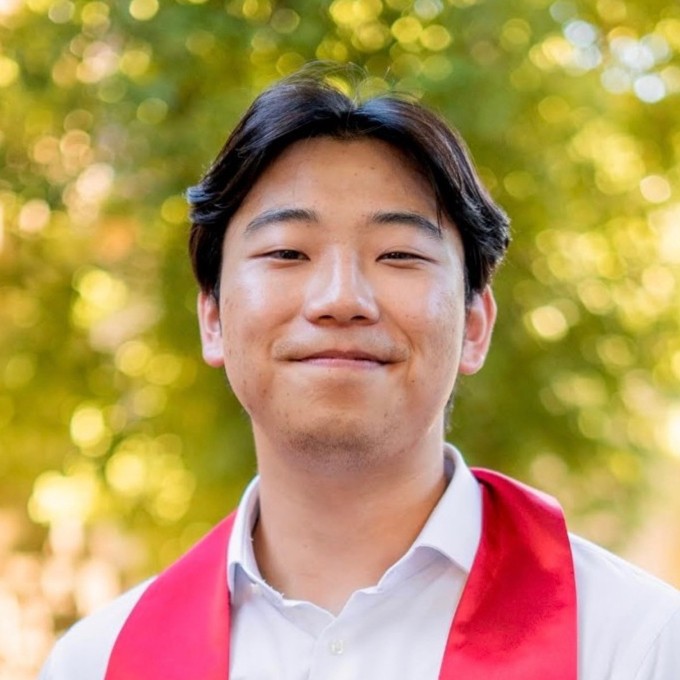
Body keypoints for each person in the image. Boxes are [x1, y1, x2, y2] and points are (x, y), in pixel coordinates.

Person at [40, 66, 680, 680]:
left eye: (398, 254)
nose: (341, 299)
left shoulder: (635, 646)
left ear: (475, 325)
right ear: (213, 319)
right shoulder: (97, 665)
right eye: (287, 252)